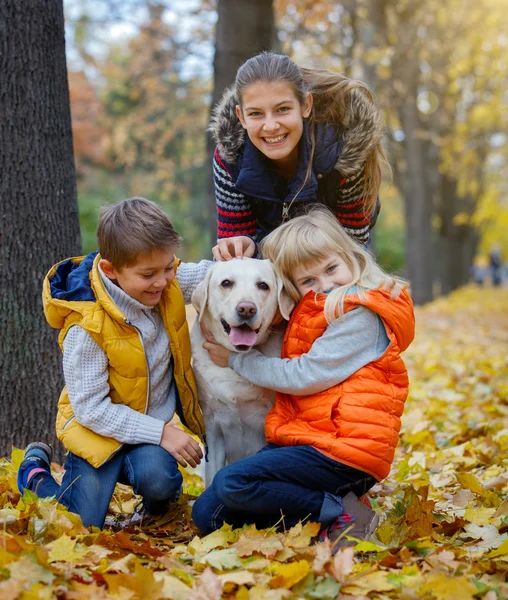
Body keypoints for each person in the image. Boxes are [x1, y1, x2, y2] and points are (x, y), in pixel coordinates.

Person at [192, 207, 415, 548]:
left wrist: (236, 360)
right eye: (308, 281)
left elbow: (306, 374)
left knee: (231, 484)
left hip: (343, 451)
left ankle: (341, 512)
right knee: (207, 514)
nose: (324, 284)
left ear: (352, 257)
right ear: (293, 289)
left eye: (330, 269)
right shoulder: (313, 311)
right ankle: (321, 517)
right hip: (312, 442)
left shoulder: (363, 315)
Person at [17, 197, 213, 529]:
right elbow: (91, 410)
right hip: (96, 432)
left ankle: (154, 504)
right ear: (111, 270)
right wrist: (161, 433)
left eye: (168, 268)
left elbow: (212, 275)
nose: (163, 281)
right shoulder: (88, 327)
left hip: (144, 438)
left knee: (160, 479)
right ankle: (34, 473)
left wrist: (243, 257)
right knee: (81, 524)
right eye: (149, 274)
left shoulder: (167, 284)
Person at [210, 52, 386, 257]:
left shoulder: (347, 154)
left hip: (334, 254)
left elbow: (351, 250)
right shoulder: (230, 160)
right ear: (241, 117)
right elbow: (233, 253)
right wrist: (239, 246)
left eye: (283, 109)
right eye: (256, 113)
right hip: (266, 253)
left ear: (305, 105)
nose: (271, 126)